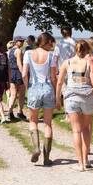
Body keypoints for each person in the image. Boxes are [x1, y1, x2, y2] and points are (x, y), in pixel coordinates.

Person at [58, 39, 93, 171]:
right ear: (87, 50)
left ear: (74, 50)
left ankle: (80, 163)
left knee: (76, 131)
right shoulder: (89, 63)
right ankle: (86, 159)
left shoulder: (67, 63)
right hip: (87, 98)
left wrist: (57, 98)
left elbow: (59, 82)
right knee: (86, 129)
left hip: (71, 98)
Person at [22, 32, 59, 166]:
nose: (52, 45)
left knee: (33, 121)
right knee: (48, 123)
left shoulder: (28, 54)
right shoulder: (51, 55)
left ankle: (36, 148)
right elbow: (54, 77)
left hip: (34, 87)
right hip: (48, 87)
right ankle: (47, 157)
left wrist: (28, 88)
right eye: (50, 42)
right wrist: (56, 94)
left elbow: (24, 73)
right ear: (45, 42)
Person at [7, 39, 27, 120]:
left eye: (23, 41)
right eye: (20, 41)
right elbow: (19, 63)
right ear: (16, 42)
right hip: (18, 72)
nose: (22, 42)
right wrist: (23, 74)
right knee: (21, 94)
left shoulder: (10, 50)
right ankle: (19, 112)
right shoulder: (18, 51)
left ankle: (10, 112)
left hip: (12, 72)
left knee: (13, 94)